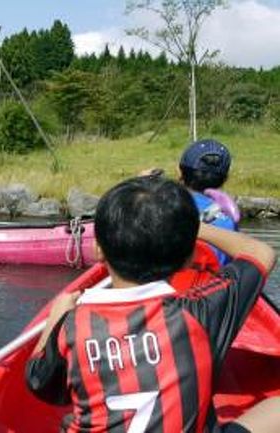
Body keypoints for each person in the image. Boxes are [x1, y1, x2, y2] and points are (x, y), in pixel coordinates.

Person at [26, 176, 278, 433]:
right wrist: (196, 229)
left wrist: (56, 317)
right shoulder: (198, 312)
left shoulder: (72, 326)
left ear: (98, 250)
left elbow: (40, 383)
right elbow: (262, 253)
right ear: (189, 256)